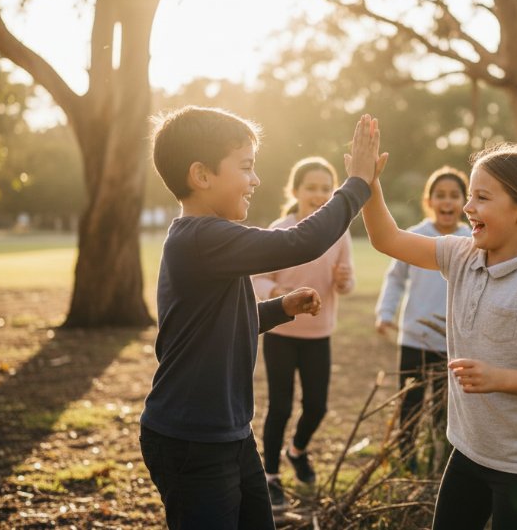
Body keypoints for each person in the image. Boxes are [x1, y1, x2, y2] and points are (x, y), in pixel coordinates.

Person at [139, 109, 379, 529]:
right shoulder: (201, 237)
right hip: (191, 439)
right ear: (201, 175)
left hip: (231, 432)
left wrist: (279, 308)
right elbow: (300, 241)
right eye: (247, 167)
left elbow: (220, 321)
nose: (256, 180)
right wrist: (356, 184)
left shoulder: (208, 238)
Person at [360, 124, 517, 530]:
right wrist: (368, 183)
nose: (467, 208)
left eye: (482, 198)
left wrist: (499, 377)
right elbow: (386, 239)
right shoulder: (461, 256)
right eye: (469, 196)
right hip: (468, 449)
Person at [252, 156, 353, 509]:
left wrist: (343, 281)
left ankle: (297, 451)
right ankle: (271, 477)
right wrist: (275, 295)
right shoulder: (280, 228)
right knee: (279, 405)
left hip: (319, 334)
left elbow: (347, 280)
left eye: (327, 188)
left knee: (317, 406)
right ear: (294, 191)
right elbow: (258, 277)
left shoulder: (338, 233)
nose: (319, 194)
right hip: (281, 333)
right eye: (311, 187)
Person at [374, 166, 471, 471]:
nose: (447, 202)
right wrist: (386, 313)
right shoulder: (414, 236)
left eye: (454, 196)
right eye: (440, 195)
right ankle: (407, 459)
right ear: (428, 201)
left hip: (452, 342)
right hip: (415, 336)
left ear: (464, 203)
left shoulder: (471, 239)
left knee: (447, 408)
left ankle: (440, 461)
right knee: (411, 403)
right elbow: (395, 279)